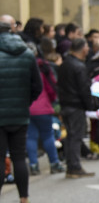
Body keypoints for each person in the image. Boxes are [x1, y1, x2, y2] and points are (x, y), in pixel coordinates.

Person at [0, 15, 42, 203]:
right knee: (19, 158)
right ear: (12, 30)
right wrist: (25, 101)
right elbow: (37, 86)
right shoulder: (26, 53)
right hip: (19, 114)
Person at [57, 37, 99, 178]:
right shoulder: (78, 66)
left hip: (66, 103)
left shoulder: (65, 64)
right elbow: (83, 89)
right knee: (76, 136)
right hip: (76, 105)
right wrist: (90, 105)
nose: (88, 49)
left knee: (71, 136)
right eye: (87, 47)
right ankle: (74, 167)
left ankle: (71, 166)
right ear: (82, 49)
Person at [27, 38, 65, 175]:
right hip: (43, 106)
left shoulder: (20, 66)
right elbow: (51, 87)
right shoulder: (42, 66)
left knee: (30, 137)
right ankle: (54, 163)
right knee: (48, 135)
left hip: (26, 107)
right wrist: (54, 100)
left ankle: (33, 165)